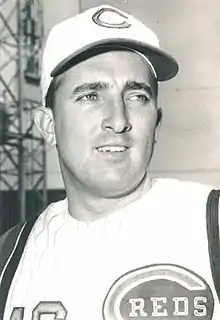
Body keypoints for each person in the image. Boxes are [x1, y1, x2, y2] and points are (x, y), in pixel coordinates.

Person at [0, 4, 219, 320]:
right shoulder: (11, 255)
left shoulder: (209, 224)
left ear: (156, 122)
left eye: (137, 96)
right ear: (48, 126)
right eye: (90, 96)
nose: (118, 120)